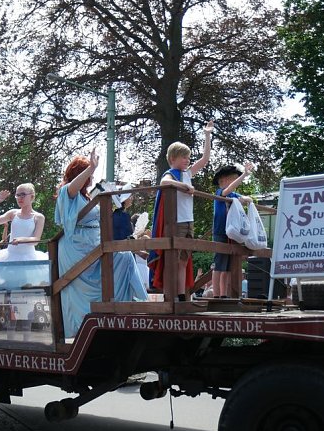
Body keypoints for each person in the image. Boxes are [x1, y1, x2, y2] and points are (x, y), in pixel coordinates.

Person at [55, 150, 147, 337]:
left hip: (93, 243)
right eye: (88, 175)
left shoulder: (86, 196)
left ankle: (133, 304)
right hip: (77, 247)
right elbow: (72, 188)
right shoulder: (68, 192)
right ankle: (141, 303)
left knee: (124, 258)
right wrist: (91, 167)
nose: (91, 178)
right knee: (123, 258)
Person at [149, 120, 213, 301]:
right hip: (176, 222)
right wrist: (184, 186)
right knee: (173, 259)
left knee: (184, 260)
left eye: (188, 157)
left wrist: (207, 135)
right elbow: (164, 182)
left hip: (188, 221)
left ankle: (181, 294)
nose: (187, 160)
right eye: (183, 157)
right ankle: (171, 294)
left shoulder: (187, 173)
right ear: (172, 159)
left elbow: (205, 160)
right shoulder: (172, 174)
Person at [211, 162, 254, 297]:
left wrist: (245, 199)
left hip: (231, 233)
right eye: (234, 179)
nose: (237, 182)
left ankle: (224, 294)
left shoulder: (234, 195)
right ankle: (216, 294)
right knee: (219, 265)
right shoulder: (220, 193)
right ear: (223, 181)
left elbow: (247, 199)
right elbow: (228, 191)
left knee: (228, 266)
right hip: (220, 232)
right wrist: (244, 175)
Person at [0, 184, 48, 262]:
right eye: (18, 195)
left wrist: (21, 239)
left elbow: (36, 240)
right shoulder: (13, 213)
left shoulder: (39, 217)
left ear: (32, 197)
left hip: (29, 257)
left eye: (23, 194)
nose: (19, 198)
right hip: (9, 256)